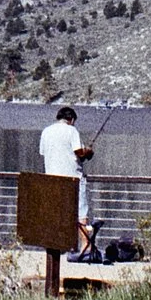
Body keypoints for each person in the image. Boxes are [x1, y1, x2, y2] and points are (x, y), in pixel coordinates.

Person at [38, 106, 97, 255]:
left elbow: (43, 152)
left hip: (52, 179)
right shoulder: (72, 131)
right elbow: (79, 152)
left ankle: (56, 246)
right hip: (73, 179)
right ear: (71, 120)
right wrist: (88, 151)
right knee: (81, 213)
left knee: (56, 213)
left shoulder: (46, 131)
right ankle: (85, 247)